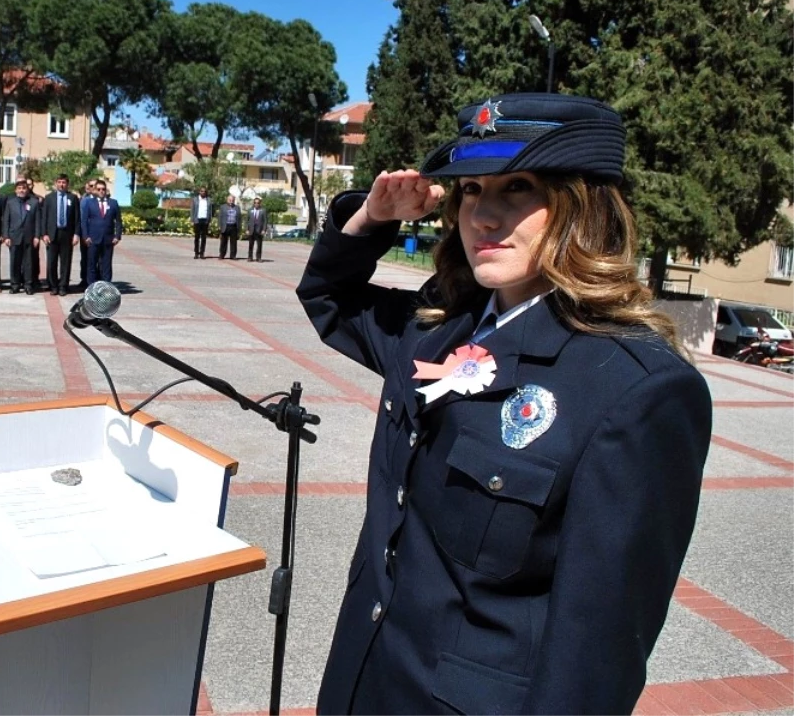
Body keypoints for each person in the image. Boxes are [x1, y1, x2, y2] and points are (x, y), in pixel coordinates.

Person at [298, 93, 712, 716]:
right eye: (470, 189)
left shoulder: (635, 389)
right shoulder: (439, 324)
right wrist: (373, 218)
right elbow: (331, 298)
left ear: (584, 207)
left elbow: (595, 657)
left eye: (517, 188)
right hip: (365, 680)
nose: (483, 216)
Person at [42, 173, 80, 295]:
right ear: (55, 183)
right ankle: (53, 286)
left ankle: (63, 286)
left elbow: (77, 218)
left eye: (64, 182)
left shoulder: (73, 198)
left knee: (66, 262)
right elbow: (44, 217)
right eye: (59, 182)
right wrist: (44, 234)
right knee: (51, 262)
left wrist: (76, 234)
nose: (61, 184)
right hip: (52, 234)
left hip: (67, 234)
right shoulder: (49, 198)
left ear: (67, 184)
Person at [80, 179, 122, 286]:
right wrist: (85, 236)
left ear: (106, 190)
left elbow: (118, 221)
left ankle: (106, 287)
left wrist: (117, 236)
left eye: (103, 189)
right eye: (98, 189)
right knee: (92, 265)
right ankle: (91, 288)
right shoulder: (89, 203)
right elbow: (84, 221)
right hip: (92, 239)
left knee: (106, 265)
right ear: (95, 190)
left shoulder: (113, 203)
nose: (101, 191)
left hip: (108, 240)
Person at [1, 178, 39, 294]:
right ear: (15, 190)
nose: (22, 190)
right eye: (19, 188)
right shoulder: (10, 203)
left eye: (24, 188)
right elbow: (6, 220)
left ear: (27, 189)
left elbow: (38, 220)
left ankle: (28, 284)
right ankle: (15, 284)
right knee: (15, 262)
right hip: (14, 236)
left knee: (28, 262)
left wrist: (37, 236)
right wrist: (6, 236)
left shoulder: (34, 202)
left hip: (29, 236)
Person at [217, 194, 241, 260]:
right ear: (227, 200)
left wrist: (239, 228)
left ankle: (233, 255)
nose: (231, 201)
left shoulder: (237, 208)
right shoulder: (223, 207)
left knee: (233, 243)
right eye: (230, 200)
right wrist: (219, 226)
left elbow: (239, 219)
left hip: (234, 226)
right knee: (223, 242)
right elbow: (220, 217)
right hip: (225, 226)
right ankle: (222, 254)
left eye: (232, 200)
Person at [191, 186, 212, 258]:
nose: (203, 192)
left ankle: (202, 253)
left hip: (205, 220)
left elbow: (210, 211)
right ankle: (196, 253)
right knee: (196, 238)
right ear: (199, 192)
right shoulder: (195, 199)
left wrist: (209, 220)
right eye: (202, 191)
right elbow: (192, 210)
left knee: (204, 238)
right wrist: (192, 220)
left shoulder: (209, 200)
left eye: (204, 191)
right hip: (197, 220)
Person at [246, 197, 268, 262]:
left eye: (258, 203)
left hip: (259, 230)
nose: (256, 204)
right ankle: (250, 257)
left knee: (259, 245)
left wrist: (264, 230)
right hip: (251, 230)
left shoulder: (263, 210)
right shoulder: (250, 210)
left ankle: (258, 258)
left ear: (260, 203)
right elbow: (247, 220)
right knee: (250, 245)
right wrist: (247, 229)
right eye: (255, 203)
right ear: (253, 203)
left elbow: (265, 221)